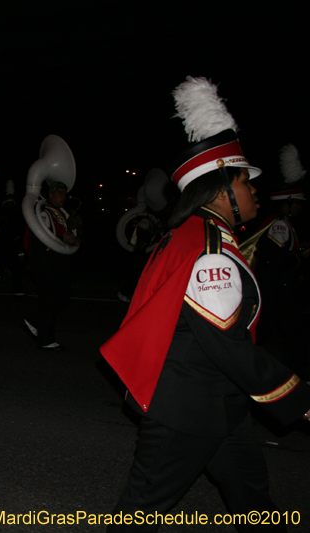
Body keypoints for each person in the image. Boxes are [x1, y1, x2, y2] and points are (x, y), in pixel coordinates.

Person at [100, 77, 310, 532]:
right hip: (187, 407)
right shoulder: (209, 247)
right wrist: (296, 394)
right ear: (221, 189)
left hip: (218, 403)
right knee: (139, 514)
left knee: (254, 503)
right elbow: (228, 344)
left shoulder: (200, 236)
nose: (256, 190)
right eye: (245, 181)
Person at [253, 144, 309, 379]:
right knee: (288, 334)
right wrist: (299, 257)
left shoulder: (283, 224)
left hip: (277, 292)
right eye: (297, 202)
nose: (299, 207)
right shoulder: (280, 225)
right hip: (276, 291)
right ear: (287, 202)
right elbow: (274, 260)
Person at [22, 179, 81, 352]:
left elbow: (67, 233)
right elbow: (41, 238)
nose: (63, 197)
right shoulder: (44, 212)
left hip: (59, 262)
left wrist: (74, 238)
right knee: (50, 301)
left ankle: (31, 322)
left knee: (60, 299)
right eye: (60, 193)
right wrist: (63, 238)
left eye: (65, 194)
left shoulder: (63, 213)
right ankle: (45, 339)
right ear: (51, 194)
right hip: (45, 263)